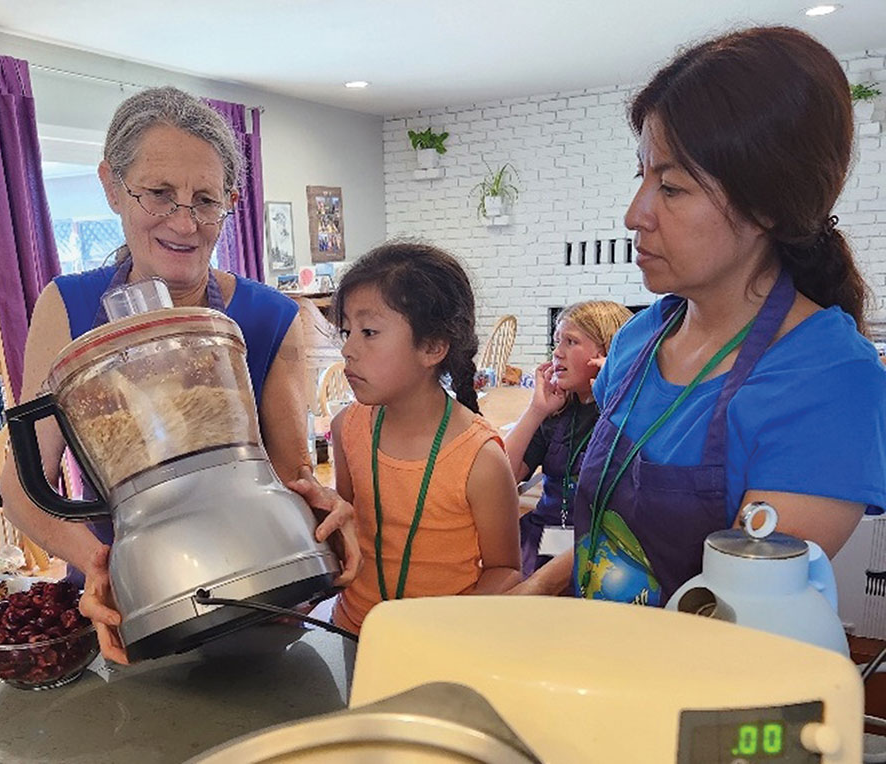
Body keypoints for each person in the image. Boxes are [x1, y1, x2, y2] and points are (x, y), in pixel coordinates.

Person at [514, 26, 886, 605]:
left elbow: (744, 606)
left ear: (768, 202)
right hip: (597, 661)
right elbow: (606, 542)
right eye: (643, 177)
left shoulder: (827, 378)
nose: (635, 214)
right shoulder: (639, 339)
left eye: (673, 187)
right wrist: (533, 589)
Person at [0, 86, 359, 663]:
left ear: (229, 203)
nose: (185, 222)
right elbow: (20, 477)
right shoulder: (67, 306)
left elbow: (292, 474)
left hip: (257, 603)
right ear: (112, 186)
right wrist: (98, 561)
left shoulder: (272, 319)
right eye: (160, 194)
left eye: (206, 200)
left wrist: (324, 511)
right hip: (119, 607)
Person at [328, 241, 521, 633]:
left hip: (436, 648)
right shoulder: (347, 427)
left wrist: (442, 631)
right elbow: (344, 527)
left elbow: (505, 570)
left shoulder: (479, 458)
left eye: (368, 332)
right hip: (352, 633)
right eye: (347, 331)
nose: (348, 349)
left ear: (432, 346)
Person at [503, 301, 632, 576]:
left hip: (602, 546)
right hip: (546, 535)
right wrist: (535, 411)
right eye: (556, 341)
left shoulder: (631, 414)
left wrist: (616, 396)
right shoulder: (557, 412)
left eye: (571, 342)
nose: (557, 353)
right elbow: (502, 479)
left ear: (608, 351)